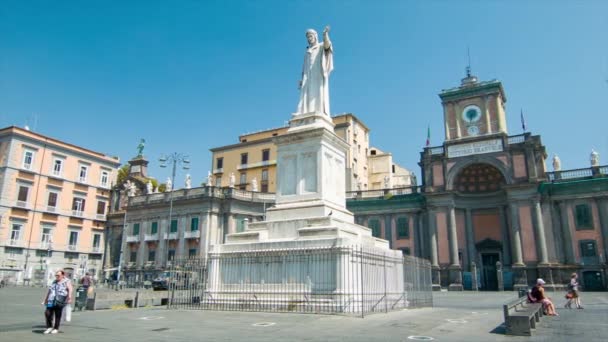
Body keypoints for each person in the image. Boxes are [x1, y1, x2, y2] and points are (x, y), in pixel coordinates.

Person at [297, 26, 333, 115]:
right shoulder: (307, 52)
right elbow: (304, 67)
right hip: (307, 76)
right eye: (308, 37)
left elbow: (327, 45)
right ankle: (305, 113)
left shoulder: (320, 46)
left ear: (315, 36)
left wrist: (325, 35)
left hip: (318, 74)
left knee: (318, 93)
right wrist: (302, 79)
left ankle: (318, 111)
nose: (309, 39)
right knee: (306, 94)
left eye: (310, 36)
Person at [42, 270, 73, 334]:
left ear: (62, 275)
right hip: (51, 299)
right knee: (47, 313)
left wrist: (69, 297)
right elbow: (50, 290)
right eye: (56, 275)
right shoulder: (54, 281)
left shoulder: (66, 281)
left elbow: (70, 289)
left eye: (58, 275)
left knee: (57, 314)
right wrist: (46, 299)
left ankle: (56, 328)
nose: (57, 276)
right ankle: (49, 327)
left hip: (60, 299)